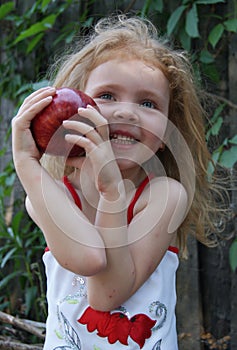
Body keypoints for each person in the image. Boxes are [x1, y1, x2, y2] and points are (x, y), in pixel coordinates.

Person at [12, 15, 225, 350]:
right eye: (107, 96)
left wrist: (112, 192)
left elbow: (104, 294)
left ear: (168, 133)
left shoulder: (164, 196)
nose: (127, 112)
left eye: (148, 103)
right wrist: (26, 163)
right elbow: (89, 260)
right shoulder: (50, 196)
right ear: (75, 110)